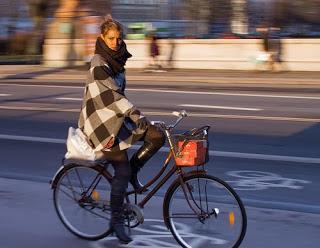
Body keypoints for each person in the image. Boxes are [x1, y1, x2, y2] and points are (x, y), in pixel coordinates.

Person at [78, 16, 165, 244]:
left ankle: (134, 172)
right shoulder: (98, 62)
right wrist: (136, 114)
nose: (116, 42)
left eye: (118, 38)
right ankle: (116, 222)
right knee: (121, 171)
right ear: (102, 38)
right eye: (111, 38)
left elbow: (120, 97)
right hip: (101, 126)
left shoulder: (117, 58)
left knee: (157, 136)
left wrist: (136, 117)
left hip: (117, 118)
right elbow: (111, 97)